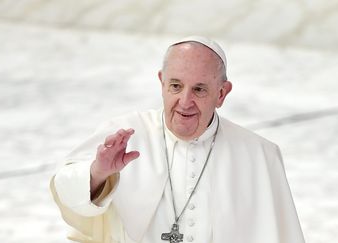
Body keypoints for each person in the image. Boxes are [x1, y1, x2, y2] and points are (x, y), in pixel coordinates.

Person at [50, 36, 305, 243]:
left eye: (199, 89)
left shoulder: (259, 155)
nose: (185, 102)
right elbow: (66, 190)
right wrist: (98, 174)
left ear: (221, 93)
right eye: (175, 86)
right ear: (161, 82)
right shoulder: (124, 134)